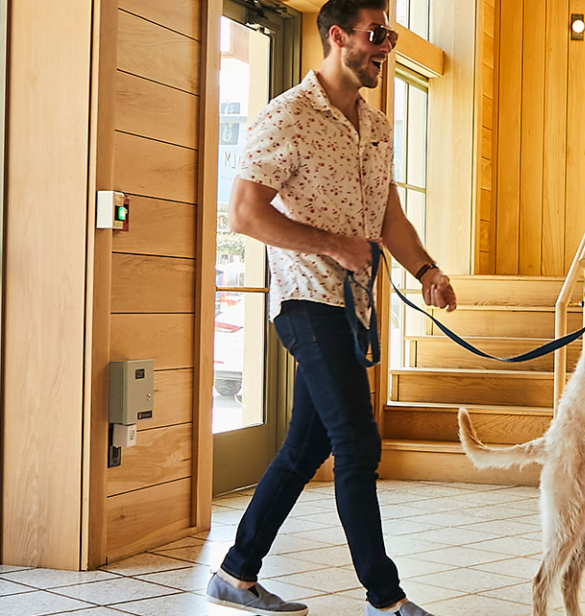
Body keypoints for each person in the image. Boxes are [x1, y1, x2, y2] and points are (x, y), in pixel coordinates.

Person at [205, 2, 457, 616]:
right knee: (358, 444)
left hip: (352, 307)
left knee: (305, 448)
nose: (386, 47)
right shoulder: (287, 115)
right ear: (339, 36)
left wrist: (427, 270)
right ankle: (385, 598)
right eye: (378, 34)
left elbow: (389, 216)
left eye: (391, 37)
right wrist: (332, 244)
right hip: (306, 301)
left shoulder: (378, 125)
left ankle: (236, 573)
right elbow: (244, 213)